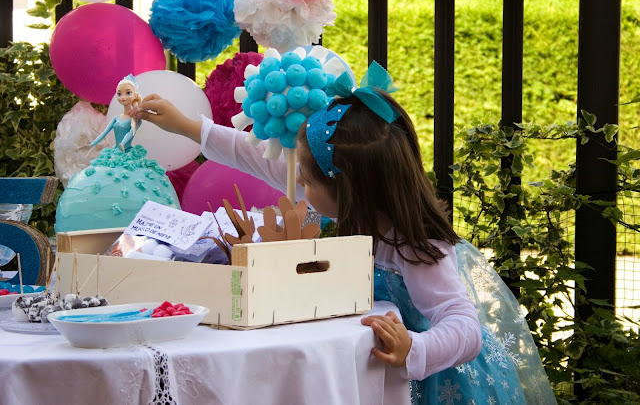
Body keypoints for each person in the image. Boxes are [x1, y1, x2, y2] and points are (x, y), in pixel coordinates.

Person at [130, 62, 556, 404]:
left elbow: (465, 326)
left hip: (428, 381)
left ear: (351, 191)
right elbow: (252, 156)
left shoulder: (417, 245)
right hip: (360, 365)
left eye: (308, 181)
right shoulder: (341, 197)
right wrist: (188, 126)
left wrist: (415, 349)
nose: (298, 185)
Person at [91, 74, 142, 152]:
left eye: (128, 93)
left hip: (127, 151)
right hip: (116, 150)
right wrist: (90, 145)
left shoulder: (136, 119)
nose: (123, 97)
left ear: (135, 95)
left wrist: (123, 143)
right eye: (119, 94)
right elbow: (104, 133)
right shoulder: (116, 118)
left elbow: (131, 133)